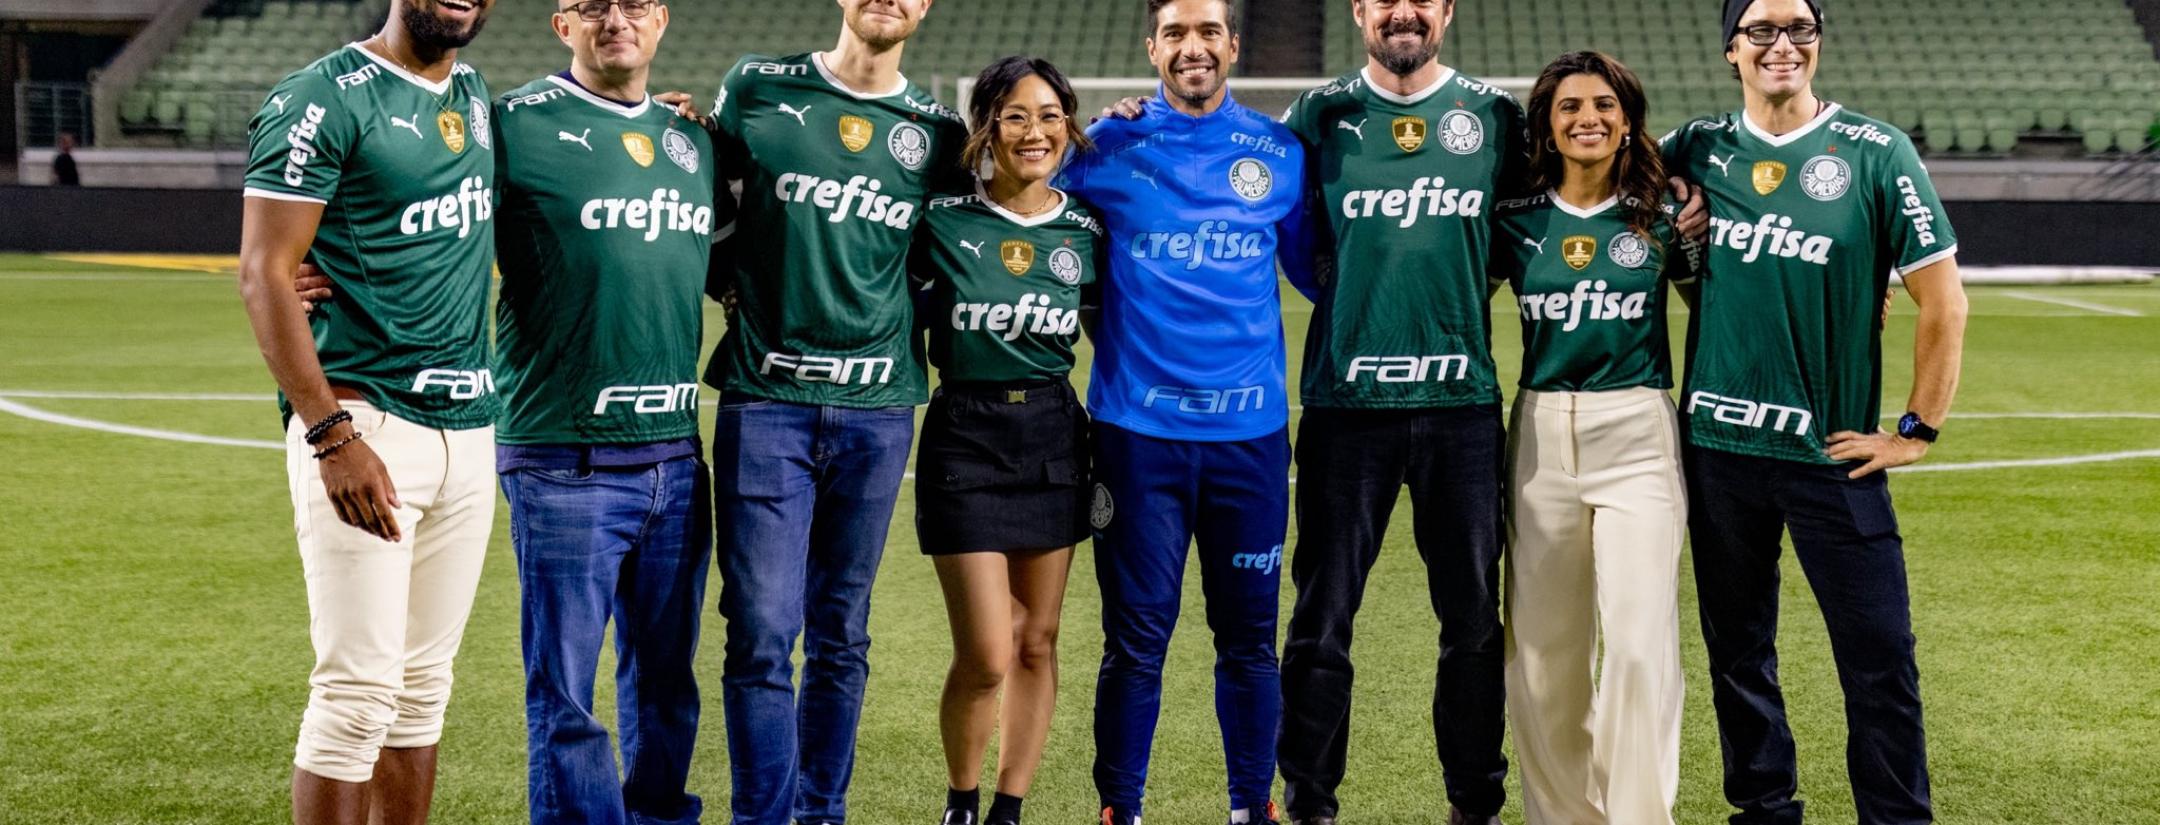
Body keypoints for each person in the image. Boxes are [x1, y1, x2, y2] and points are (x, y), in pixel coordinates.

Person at [1662, 1, 1969, 822]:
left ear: (1818, 43)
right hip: (1719, 448)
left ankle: (1896, 815)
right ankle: (1763, 808)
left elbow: (1943, 301)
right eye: (1760, 29)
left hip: (1831, 454)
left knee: (1879, 658)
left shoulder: (1876, 152)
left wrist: (1914, 430)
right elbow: (1634, 216)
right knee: (1738, 652)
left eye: (1798, 27)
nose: (1781, 44)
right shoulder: (1694, 147)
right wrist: (1675, 225)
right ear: (1732, 48)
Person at [698, 1, 967, 823]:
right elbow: (694, 201)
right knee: (762, 633)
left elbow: (947, 257)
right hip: (766, 398)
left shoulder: (940, 132)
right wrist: (726, 280)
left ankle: (823, 811)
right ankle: (764, 815)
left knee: (842, 632)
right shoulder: (756, 86)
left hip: (878, 411)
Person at [235, 0, 500, 822]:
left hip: (471, 426)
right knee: (356, 696)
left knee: (423, 693)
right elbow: (263, 271)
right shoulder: (322, 97)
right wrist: (328, 431)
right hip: (366, 422)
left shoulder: (479, 97)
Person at [1056, 1, 1308, 823]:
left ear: (1233, 46)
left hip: (1250, 440)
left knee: (1249, 644)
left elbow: (1320, 271)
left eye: (1208, 33)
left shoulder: (1280, 152)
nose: (1192, 48)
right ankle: (1119, 809)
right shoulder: (1104, 148)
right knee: (1136, 644)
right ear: (1152, 48)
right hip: (1138, 439)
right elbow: (1017, 203)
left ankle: (1250, 807)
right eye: (1176, 34)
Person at [1272, 2, 1521, 822]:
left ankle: (1475, 803)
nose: (1402, 10)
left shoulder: (1495, 117)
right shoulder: (1318, 115)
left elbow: (1531, 233)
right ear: (1360, 11)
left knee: (1475, 622)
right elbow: (1289, 236)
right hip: (1348, 408)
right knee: (1321, 618)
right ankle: (1310, 802)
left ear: (1446, 11)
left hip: (1461, 409)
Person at [1488, 51, 1696, 825]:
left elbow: (1729, 298)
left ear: (1629, 118)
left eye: (1605, 104)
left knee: (1640, 643)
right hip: (1540, 435)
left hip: (1638, 431)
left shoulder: (1668, 216)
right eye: (1570, 106)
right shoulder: (1514, 221)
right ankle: (1563, 816)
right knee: (1543, 656)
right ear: (1546, 122)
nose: (1588, 119)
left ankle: (1641, 814)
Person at [914, 56, 1105, 825]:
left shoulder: (1086, 228)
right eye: (1017, 116)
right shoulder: (942, 220)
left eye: (1051, 115)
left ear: (1070, 126)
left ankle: (1006, 808)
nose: (1036, 132)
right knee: (989, 650)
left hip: (1054, 433)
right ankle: (961, 797)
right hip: (965, 436)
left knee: (1038, 640)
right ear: (987, 129)